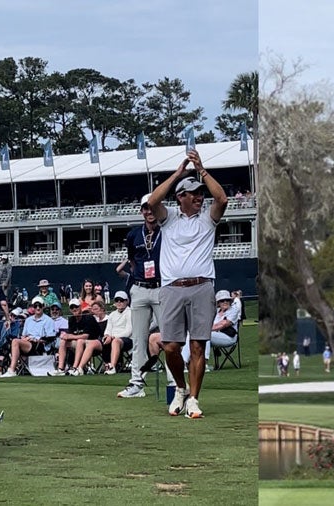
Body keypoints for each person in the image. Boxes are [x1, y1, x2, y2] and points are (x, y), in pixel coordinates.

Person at [147, 148, 228, 418]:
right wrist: (178, 174)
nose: (199, 197)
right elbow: (153, 200)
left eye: (199, 192)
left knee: (197, 346)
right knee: (170, 345)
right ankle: (180, 389)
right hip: (172, 287)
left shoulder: (207, 219)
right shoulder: (168, 218)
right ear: (180, 197)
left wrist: (201, 171)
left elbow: (222, 198)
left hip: (202, 286)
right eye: (193, 193)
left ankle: (193, 398)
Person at [117, 192, 165, 399]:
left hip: (162, 287)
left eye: (152, 207)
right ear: (141, 211)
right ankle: (136, 383)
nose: (149, 211)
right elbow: (133, 261)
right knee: (138, 339)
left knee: (169, 337)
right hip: (140, 288)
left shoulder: (167, 231)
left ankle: (175, 383)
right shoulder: (133, 235)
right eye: (145, 208)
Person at [1, 296, 55, 377]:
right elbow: (23, 335)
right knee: (6, 344)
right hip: (27, 343)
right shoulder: (28, 320)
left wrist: (35, 339)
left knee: (15, 341)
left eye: (39, 305)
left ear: (43, 306)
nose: (37, 308)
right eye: (35, 306)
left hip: (39, 345)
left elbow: (50, 338)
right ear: (33, 307)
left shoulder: (48, 320)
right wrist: (25, 338)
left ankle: (12, 370)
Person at [50, 298, 102, 376]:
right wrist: (67, 336)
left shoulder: (88, 318)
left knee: (80, 340)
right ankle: (60, 369)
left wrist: (70, 336)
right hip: (81, 344)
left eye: (76, 307)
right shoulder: (71, 320)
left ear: (80, 307)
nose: (74, 309)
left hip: (96, 343)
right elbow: (70, 335)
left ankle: (75, 368)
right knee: (63, 341)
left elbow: (85, 336)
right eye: (72, 307)